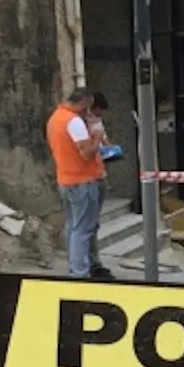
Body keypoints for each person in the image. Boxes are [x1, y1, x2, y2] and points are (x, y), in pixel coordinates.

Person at [46, 87, 105, 279]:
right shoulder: (74, 122)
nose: (88, 111)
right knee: (82, 230)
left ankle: (76, 268)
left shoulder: (55, 118)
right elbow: (87, 153)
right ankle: (79, 272)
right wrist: (97, 136)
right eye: (87, 107)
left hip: (66, 179)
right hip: (82, 181)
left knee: (74, 227)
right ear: (82, 102)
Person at [83, 92, 115, 280]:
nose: (99, 116)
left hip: (98, 173)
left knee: (92, 223)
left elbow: (105, 143)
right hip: (87, 178)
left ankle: (92, 263)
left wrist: (110, 149)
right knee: (86, 225)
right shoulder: (81, 124)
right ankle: (90, 264)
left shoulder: (97, 124)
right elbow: (88, 150)